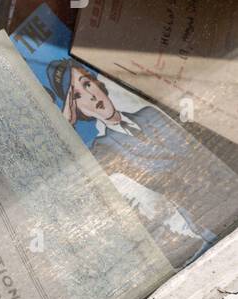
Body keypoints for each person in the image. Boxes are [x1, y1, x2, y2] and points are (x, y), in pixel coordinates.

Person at [47, 59, 238, 265]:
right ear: (77, 109)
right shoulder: (103, 149)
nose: (91, 96)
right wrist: (68, 126)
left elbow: (201, 154)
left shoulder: (149, 113)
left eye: (87, 84)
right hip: (208, 226)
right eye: (77, 96)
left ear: (96, 82)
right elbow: (70, 177)